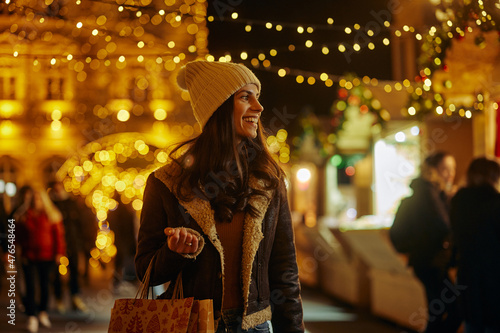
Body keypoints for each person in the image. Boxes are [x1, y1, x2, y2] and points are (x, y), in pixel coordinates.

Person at [135, 60, 304, 332]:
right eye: (245, 97)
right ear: (219, 106)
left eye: (257, 98)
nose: (258, 108)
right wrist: (174, 252)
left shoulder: (269, 181)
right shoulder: (166, 182)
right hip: (191, 324)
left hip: (255, 328)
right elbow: (146, 270)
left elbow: (285, 272)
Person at [392, 151, 462, 333]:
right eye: (445, 169)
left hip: (426, 262)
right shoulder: (429, 194)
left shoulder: (430, 193)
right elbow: (442, 226)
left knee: (437, 313)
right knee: (453, 310)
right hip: (432, 262)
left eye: (453, 168)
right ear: (433, 171)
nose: (451, 173)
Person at [450, 157, 500, 333]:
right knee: (493, 323)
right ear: (493, 176)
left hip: (467, 274)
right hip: (494, 276)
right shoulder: (495, 202)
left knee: (472, 322)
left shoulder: (458, 201)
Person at [17, 188, 66, 333]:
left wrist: (59, 253)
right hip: (29, 256)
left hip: (47, 256)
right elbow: (17, 236)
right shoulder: (24, 216)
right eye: (34, 199)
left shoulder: (52, 216)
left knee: (45, 285)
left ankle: (43, 311)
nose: (36, 201)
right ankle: (31, 315)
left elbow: (59, 236)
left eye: (38, 199)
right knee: (30, 286)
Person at [48, 181, 88, 313]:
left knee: (74, 271)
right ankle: (59, 298)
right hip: (57, 244)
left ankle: (75, 297)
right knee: (56, 273)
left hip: (72, 242)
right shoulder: (51, 204)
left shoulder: (72, 203)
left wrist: (81, 242)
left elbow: (80, 224)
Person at [108, 195, 137, 289]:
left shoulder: (116, 212)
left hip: (121, 240)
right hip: (126, 240)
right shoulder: (127, 211)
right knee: (124, 260)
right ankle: (125, 279)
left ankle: (119, 280)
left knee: (120, 261)